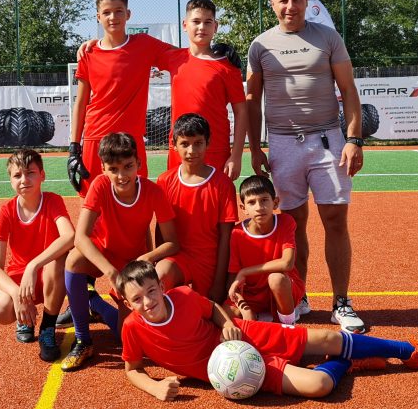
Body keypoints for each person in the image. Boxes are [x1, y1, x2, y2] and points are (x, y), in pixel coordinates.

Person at [117, 260, 418, 401]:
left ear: (161, 286)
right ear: (127, 303)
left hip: (245, 335)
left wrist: (229, 323)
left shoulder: (183, 296)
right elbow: (132, 368)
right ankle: (347, 362)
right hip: (236, 369)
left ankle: (408, 351)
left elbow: (214, 310)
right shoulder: (133, 328)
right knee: (320, 386)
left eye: (151, 291)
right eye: (137, 299)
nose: (147, 302)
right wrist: (154, 387)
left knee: (329, 337)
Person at [246, 0, 366, 332]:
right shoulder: (260, 45)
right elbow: (252, 100)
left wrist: (354, 139)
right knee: (293, 223)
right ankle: (299, 296)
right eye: (283, 0)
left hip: (328, 141)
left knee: (335, 220)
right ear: (273, 5)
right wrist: (255, 148)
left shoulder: (328, 37)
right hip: (283, 144)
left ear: (306, 2)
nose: (290, 6)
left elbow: (348, 89)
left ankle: (341, 302)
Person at [60, 132, 179, 372]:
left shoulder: (153, 191)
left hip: (131, 262)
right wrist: (110, 272)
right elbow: (81, 237)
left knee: (126, 339)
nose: (122, 176)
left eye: (128, 167)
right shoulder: (100, 185)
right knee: (73, 260)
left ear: (139, 164)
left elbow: (173, 243)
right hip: (104, 254)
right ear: (103, 168)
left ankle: (94, 303)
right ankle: (83, 340)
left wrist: (148, 257)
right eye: (113, 169)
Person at [68, 0, 177, 197]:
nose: (113, 17)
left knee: (136, 201)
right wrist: (74, 147)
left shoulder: (144, 44)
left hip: (131, 139)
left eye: (118, 11)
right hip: (96, 138)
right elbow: (80, 103)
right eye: (106, 12)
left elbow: (184, 56)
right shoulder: (89, 53)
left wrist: (215, 49)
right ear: (98, 17)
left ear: (128, 14)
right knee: (92, 202)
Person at [0, 148, 75, 362]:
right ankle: (24, 319)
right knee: (0, 310)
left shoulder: (53, 201)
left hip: (48, 276)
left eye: (30, 173)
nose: (24, 180)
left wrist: (33, 265)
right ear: (10, 180)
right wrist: (16, 294)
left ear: (42, 175)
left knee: (57, 260)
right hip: (21, 279)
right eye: (17, 175)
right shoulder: (6, 212)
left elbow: (69, 236)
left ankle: (47, 327)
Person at [154, 113, 237, 304]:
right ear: (174, 144)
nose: (191, 150)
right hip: (178, 257)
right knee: (159, 279)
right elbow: (160, 228)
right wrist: (158, 260)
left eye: (198, 143)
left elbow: (227, 236)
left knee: (208, 312)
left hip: (209, 261)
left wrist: (219, 282)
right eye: (185, 144)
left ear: (208, 143)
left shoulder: (223, 184)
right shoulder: (164, 181)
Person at [162, 0, 248, 180]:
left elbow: (241, 111)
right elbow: (137, 47)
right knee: (178, 198)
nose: (201, 27)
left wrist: (236, 155)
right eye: (196, 21)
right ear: (185, 25)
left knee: (214, 198)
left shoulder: (227, 66)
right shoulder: (173, 57)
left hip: (215, 149)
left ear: (215, 26)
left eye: (208, 22)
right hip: (180, 147)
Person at [226, 175, 304, 325]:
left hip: (282, 290)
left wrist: (245, 271)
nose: (259, 207)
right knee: (224, 315)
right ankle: (258, 315)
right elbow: (234, 279)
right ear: (243, 208)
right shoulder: (237, 233)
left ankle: (287, 324)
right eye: (251, 202)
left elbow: (287, 263)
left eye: (264, 200)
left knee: (276, 278)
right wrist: (244, 309)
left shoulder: (285, 222)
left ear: (275, 203)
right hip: (251, 295)